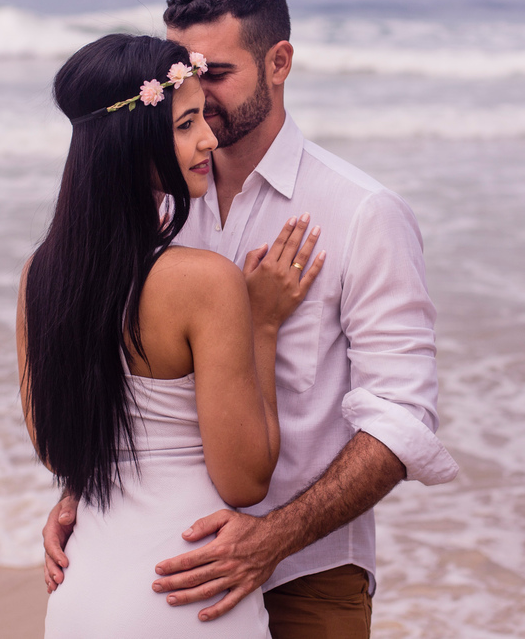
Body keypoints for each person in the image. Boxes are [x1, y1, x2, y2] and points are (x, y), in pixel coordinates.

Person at [42, 0, 460, 638]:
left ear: (280, 63)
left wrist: (272, 537)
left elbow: (400, 422)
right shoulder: (154, 210)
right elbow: (133, 388)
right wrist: (89, 489)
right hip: (168, 570)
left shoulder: (361, 213)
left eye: (217, 73)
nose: (197, 95)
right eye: (184, 72)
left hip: (309, 573)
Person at [18, 33, 325, 637]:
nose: (208, 138)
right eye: (186, 124)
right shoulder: (203, 282)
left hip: (83, 592)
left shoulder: (41, 276)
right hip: (187, 591)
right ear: (135, 143)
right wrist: (260, 324)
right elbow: (243, 478)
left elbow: (59, 451)